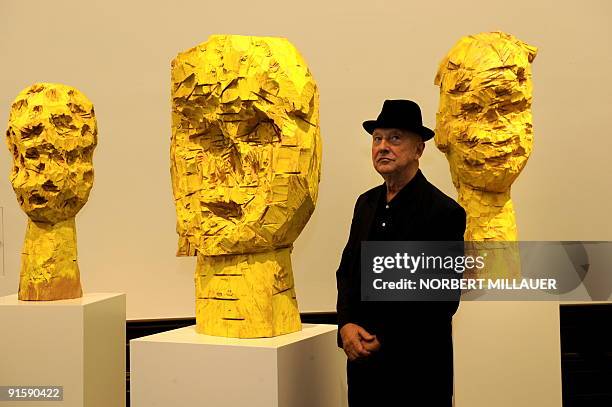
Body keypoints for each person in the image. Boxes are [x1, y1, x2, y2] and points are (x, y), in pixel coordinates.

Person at [336, 99, 466, 406]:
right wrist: (346, 325)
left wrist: (384, 336)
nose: (383, 146)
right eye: (377, 138)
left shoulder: (443, 212)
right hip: (364, 369)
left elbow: (441, 298)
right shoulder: (365, 204)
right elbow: (347, 271)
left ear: (419, 149)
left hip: (416, 371)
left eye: (395, 138)